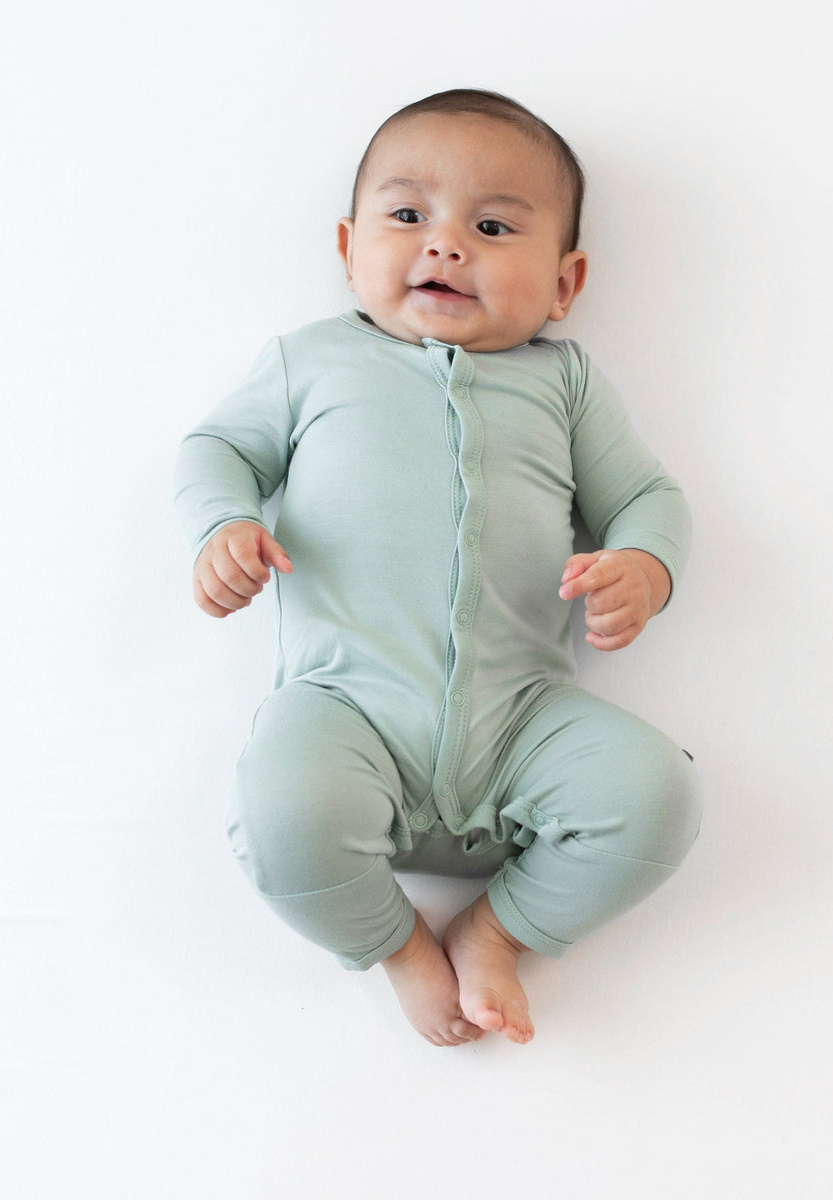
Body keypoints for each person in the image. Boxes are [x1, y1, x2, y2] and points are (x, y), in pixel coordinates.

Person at [173, 89, 701, 1047]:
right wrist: (221, 527)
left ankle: (496, 932)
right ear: (347, 248)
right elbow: (217, 449)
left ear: (564, 282)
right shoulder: (312, 363)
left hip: (519, 721)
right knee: (278, 808)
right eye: (408, 215)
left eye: (493, 226)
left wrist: (642, 565)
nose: (446, 244)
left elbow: (647, 497)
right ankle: (401, 949)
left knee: (657, 795)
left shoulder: (564, 381)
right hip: (348, 708)